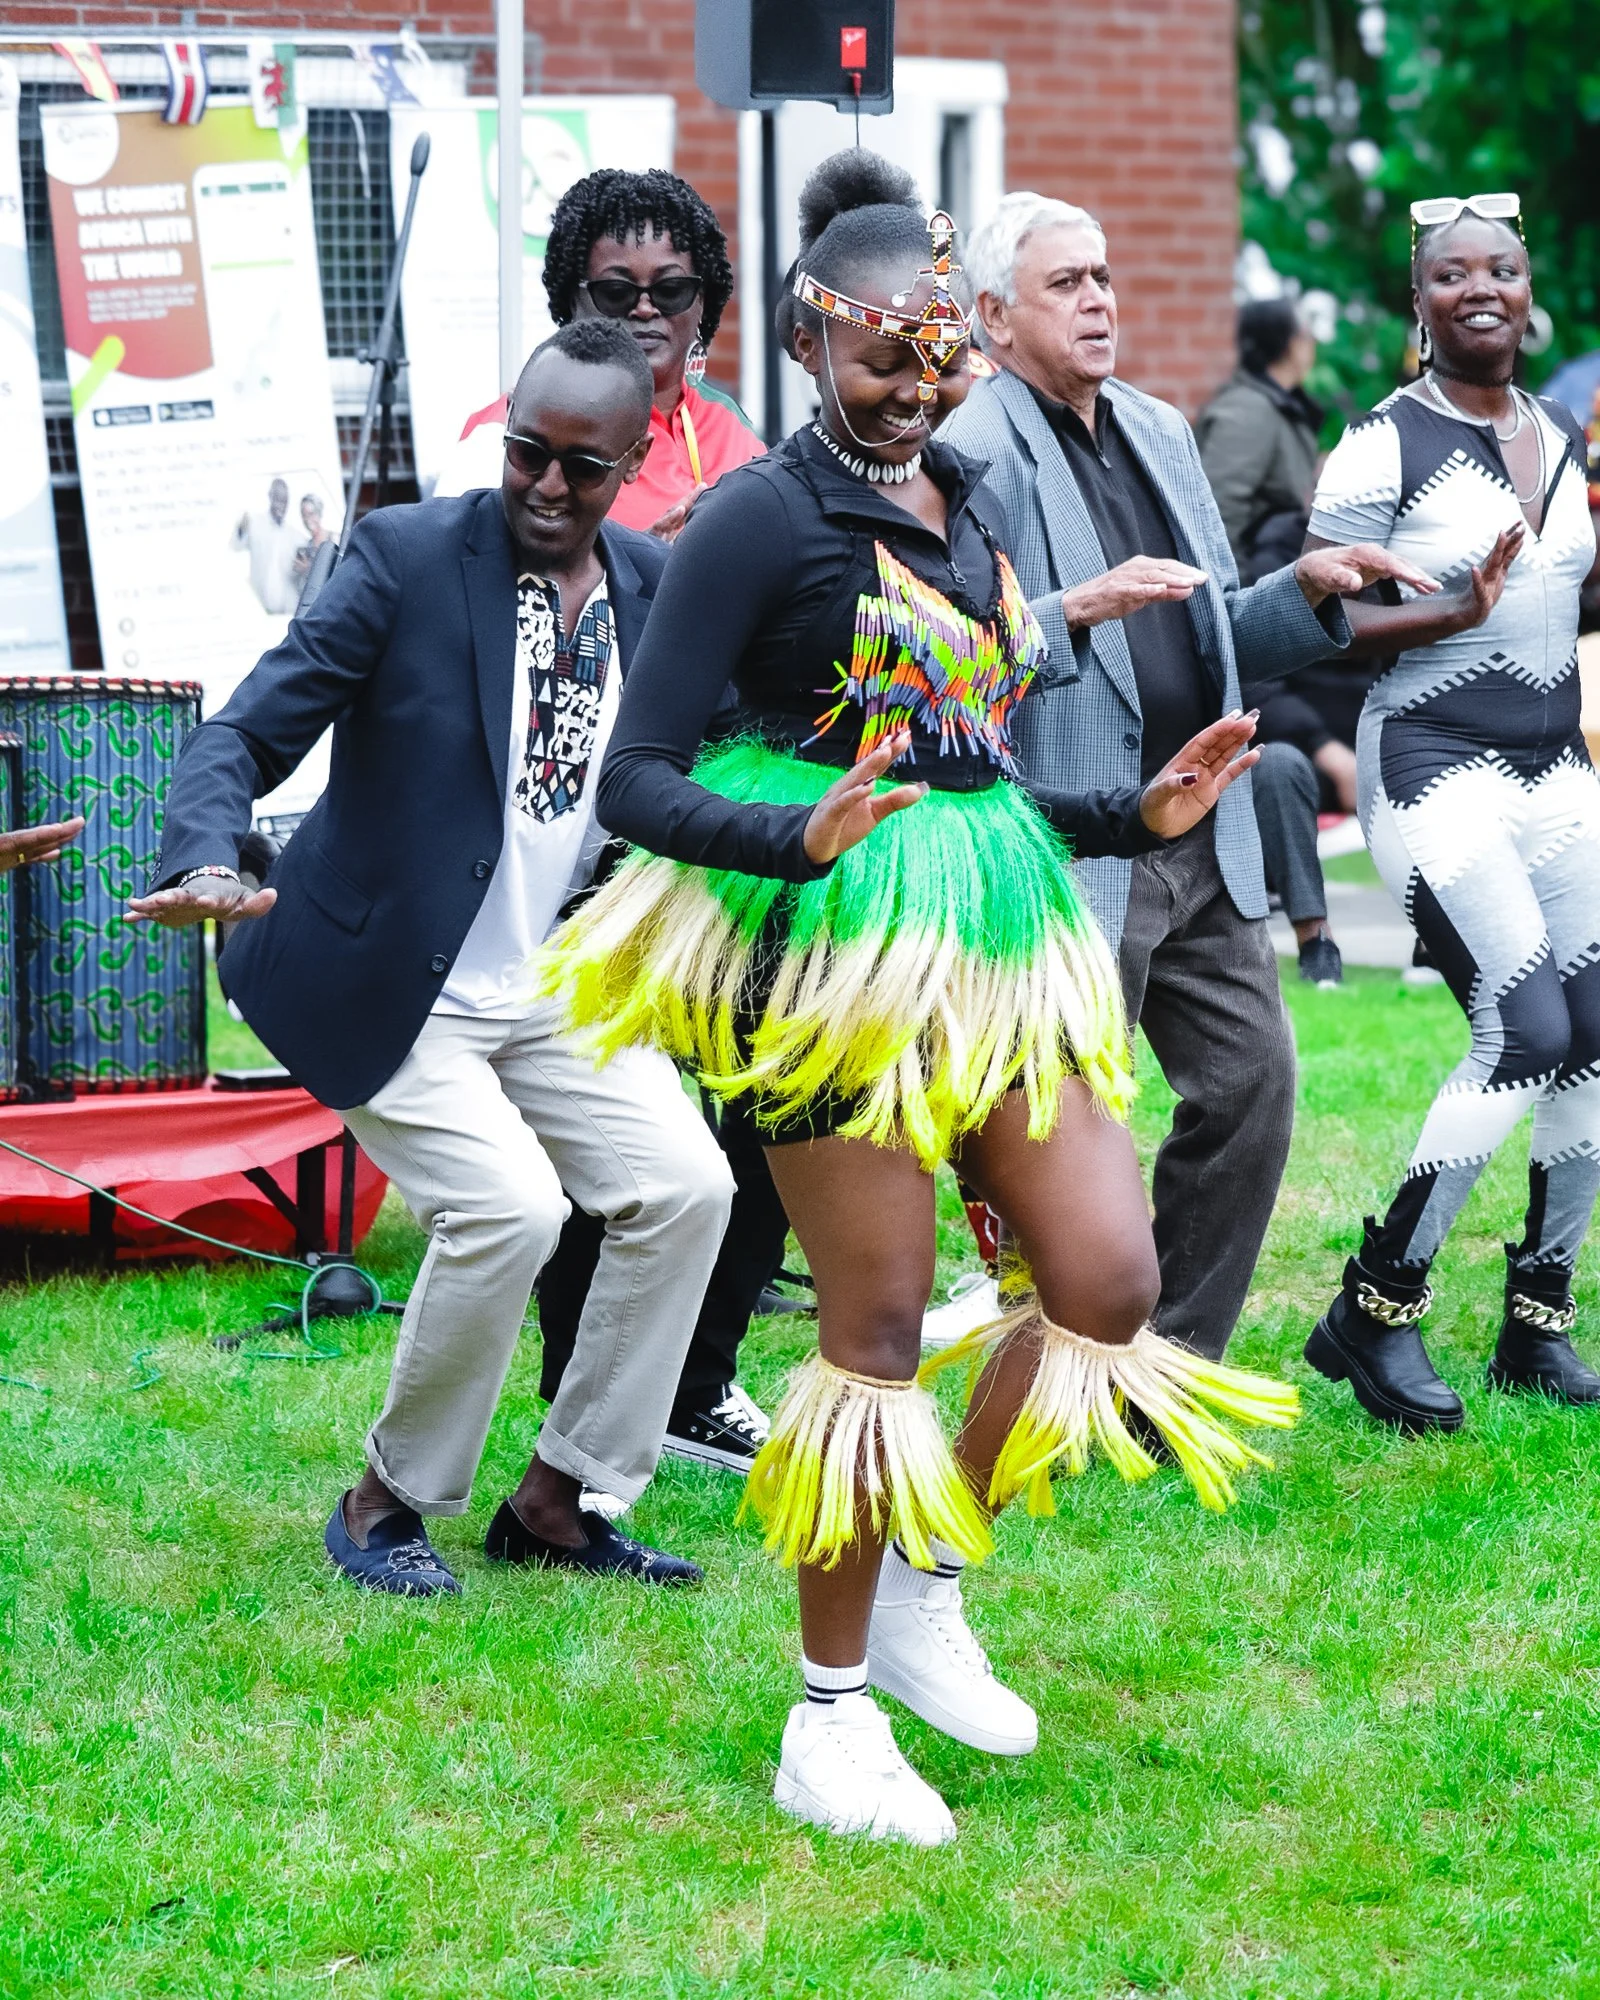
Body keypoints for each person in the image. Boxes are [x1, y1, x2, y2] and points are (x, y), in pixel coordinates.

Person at [542, 150, 1301, 1846]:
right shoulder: (754, 518)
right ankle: (825, 1722)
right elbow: (637, 782)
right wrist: (790, 833)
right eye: (882, 351)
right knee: (873, 1336)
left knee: (1104, 1277)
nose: (915, 381)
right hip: (825, 955)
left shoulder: (972, 500)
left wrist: (1134, 809)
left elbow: (979, 756)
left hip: (991, 931)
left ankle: (921, 1578)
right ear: (812, 340)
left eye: (939, 348)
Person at [129, 318, 734, 1595]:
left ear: (632, 464)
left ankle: (561, 1497)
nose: (547, 486)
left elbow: (713, 756)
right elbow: (243, 733)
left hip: (552, 978)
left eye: (582, 464)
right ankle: (384, 1501)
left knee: (687, 1185)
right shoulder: (405, 557)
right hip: (387, 974)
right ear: (503, 433)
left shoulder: (650, 587)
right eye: (528, 452)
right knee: (508, 1207)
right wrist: (203, 858)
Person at [940, 192, 1428, 1361]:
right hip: (1071, 845)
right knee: (1056, 1130)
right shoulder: (970, 451)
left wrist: (1308, 591)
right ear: (995, 319)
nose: (1100, 299)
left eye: (1103, 276)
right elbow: (953, 654)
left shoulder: (1161, 430)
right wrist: (1075, 608)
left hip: (1204, 831)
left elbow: (1218, 632)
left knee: (1252, 1088)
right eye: (1067, 284)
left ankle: (1169, 1362)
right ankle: (1056, 1351)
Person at [1303, 192, 1600, 1430]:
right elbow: (1317, 619)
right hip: (1432, 765)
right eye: (1451, 275)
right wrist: (1446, 615)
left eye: (1503, 271)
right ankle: (1377, 1307)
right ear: (1416, 305)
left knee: (1590, 1027)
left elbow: (1569, 604)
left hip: (1552, 768)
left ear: (1531, 295)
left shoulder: (1562, 435)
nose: (1480, 288)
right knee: (1522, 1026)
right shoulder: (1381, 444)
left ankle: (1538, 1317)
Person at [440, 169, 761, 537]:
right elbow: (458, 575)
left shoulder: (730, 422)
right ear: (572, 298)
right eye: (615, 292)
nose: (644, 309)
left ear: (702, 300)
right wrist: (638, 567)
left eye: (671, 289)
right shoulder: (511, 437)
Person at [1197, 299, 1348, 985]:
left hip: (1292, 594)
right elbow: (1212, 521)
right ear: (1288, 342)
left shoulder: (1281, 408)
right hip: (1249, 608)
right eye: (1307, 330)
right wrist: (1236, 604)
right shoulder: (1248, 416)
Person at [231, 477, 302, 615]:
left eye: (285, 501)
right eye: (278, 499)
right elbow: (236, 546)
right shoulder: (254, 523)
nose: (281, 505)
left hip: (287, 611)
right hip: (257, 610)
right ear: (270, 497)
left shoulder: (296, 536)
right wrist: (240, 528)